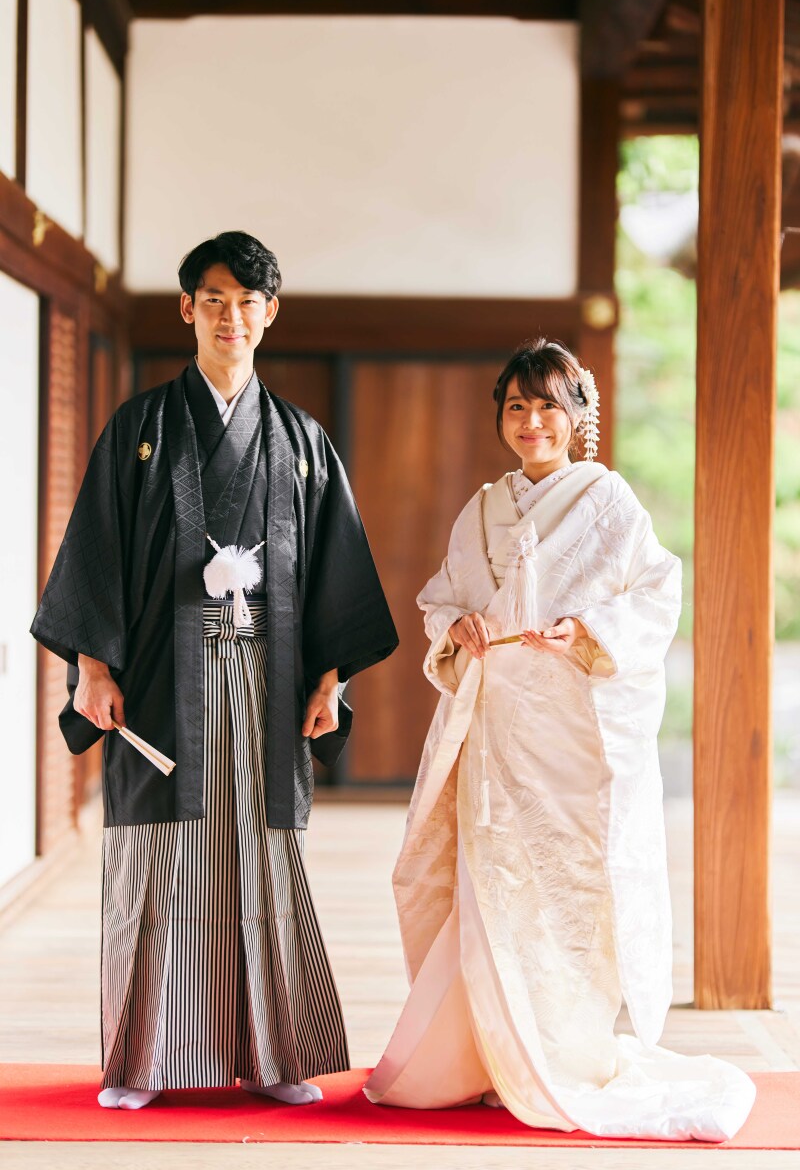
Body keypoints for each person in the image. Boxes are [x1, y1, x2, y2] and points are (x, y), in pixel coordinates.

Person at [31, 231, 398, 1111]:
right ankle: (141, 1059)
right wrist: (90, 664)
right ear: (186, 308)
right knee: (160, 858)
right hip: (161, 676)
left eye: (250, 302)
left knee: (264, 857)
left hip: (271, 674)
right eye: (216, 299)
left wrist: (329, 680)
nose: (233, 317)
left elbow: (339, 573)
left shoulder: (301, 441)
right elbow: (98, 551)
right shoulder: (143, 429)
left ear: (271, 313)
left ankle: (274, 1055)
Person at [364, 338, 755, 1142]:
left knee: (565, 897)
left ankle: (559, 1055)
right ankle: (479, 1057)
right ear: (501, 417)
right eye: (517, 406)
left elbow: (657, 587)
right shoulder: (480, 509)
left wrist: (592, 629)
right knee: (486, 889)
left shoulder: (609, 503)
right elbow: (439, 597)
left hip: (572, 741)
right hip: (494, 731)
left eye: (549, 406)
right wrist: (458, 627)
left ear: (577, 417)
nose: (533, 421)